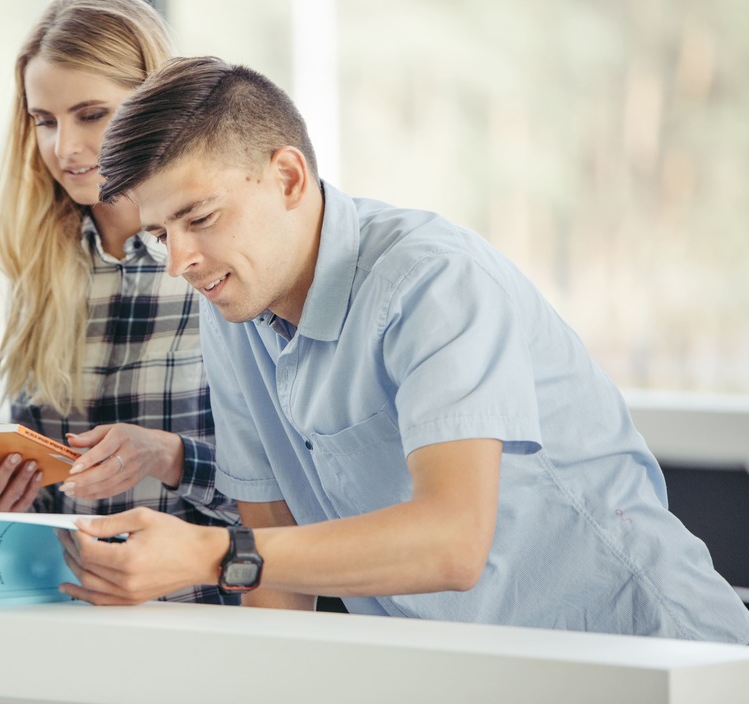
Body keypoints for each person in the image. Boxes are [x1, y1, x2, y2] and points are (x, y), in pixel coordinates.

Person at [58, 56, 749, 642]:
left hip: (646, 653)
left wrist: (206, 552)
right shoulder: (231, 310)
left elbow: (452, 542)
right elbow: (272, 567)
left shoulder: (430, 282)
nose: (178, 260)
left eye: (200, 218)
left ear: (289, 178)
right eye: (158, 235)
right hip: (462, 666)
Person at [0, 0, 240, 604]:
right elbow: (47, 501)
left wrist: (171, 458)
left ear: (154, 105)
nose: (65, 147)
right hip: (68, 626)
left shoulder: (220, 263)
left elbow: (297, 496)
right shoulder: (41, 269)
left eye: (91, 114)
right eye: (45, 121)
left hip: (212, 627)